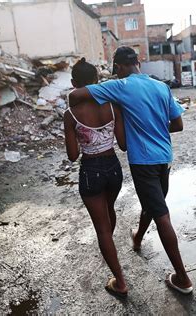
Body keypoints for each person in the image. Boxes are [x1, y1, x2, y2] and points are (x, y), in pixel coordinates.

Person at [69, 47, 193, 294]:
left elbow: (76, 96)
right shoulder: (161, 86)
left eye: (116, 70)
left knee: (161, 214)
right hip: (163, 159)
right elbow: (177, 124)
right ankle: (137, 237)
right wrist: (154, 126)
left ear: (118, 67)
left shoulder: (120, 86)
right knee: (153, 203)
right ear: (138, 62)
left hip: (143, 162)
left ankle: (183, 278)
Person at [64, 58, 128, 298]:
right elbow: (122, 144)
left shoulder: (70, 114)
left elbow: (72, 156)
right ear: (96, 81)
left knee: (101, 230)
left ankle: (120, 282)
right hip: (113, 167)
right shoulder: (113, 106)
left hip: (90, 171)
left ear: (73, 84)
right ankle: (109, 250)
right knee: (109, 211)